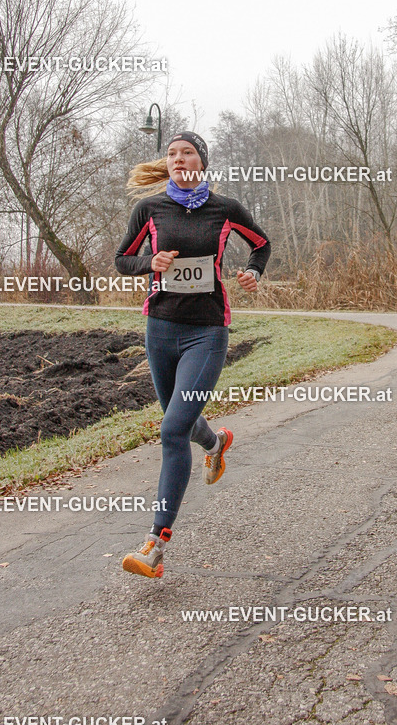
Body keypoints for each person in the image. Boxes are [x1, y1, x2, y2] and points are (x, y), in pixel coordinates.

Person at [114, 131, 271, 578]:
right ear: (167, 165)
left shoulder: (225, 209)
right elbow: (121, 259)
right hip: (160, 330)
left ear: (201, 163)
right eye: (172, 153)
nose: (179, 158)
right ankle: (216, 441)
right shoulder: (149, 210)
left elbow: (262, 243)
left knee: (171, 431)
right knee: (177, 420)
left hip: (206, 332)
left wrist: (252, 273)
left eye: (188, 153)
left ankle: (154, 544)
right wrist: (151, 262)